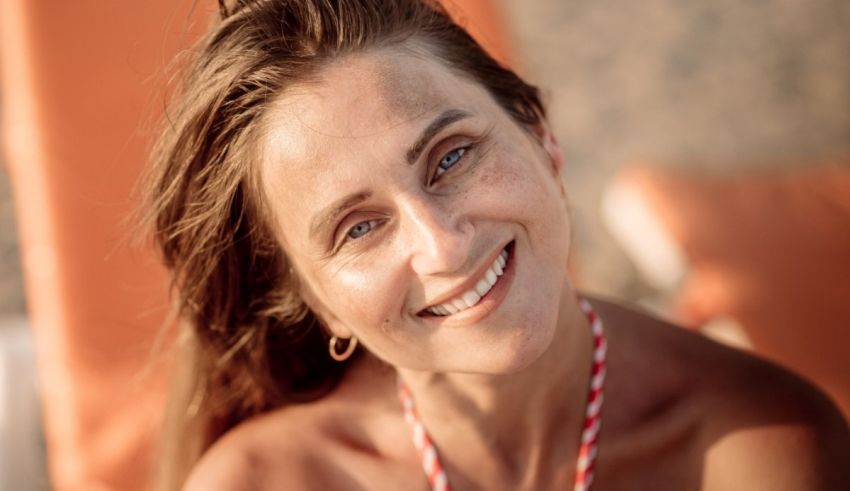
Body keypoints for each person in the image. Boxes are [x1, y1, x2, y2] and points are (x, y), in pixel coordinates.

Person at [143, 0, 850, 489]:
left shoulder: (764, 446)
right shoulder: (268, 483)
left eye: (450, 158)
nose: (443, 244)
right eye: (358, 227)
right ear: (318, 301)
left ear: (540, 135)